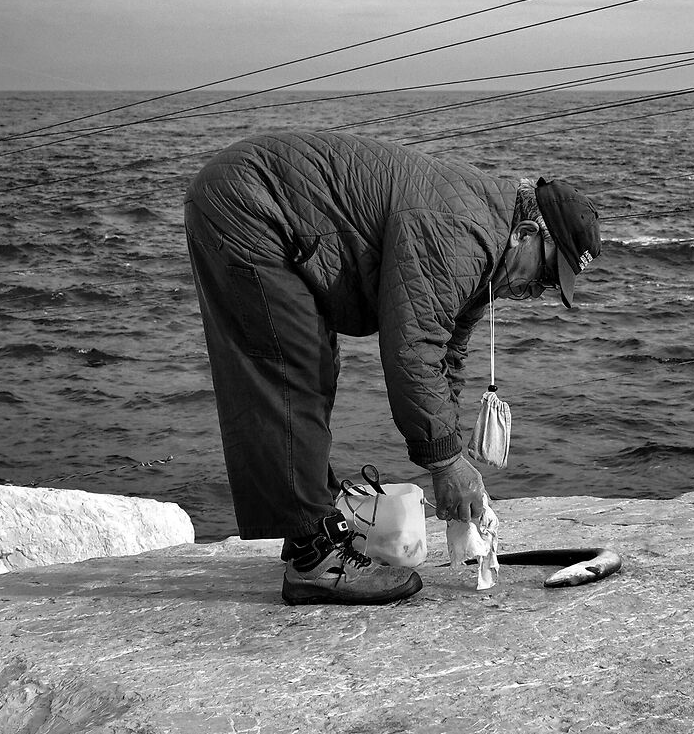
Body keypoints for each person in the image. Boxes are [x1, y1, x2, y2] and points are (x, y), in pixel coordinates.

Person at [184, 130, 601, 606]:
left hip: (264, 204)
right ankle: (313, 556)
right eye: (546, 275)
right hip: (247, 205)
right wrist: (444, 463)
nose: (536, 292)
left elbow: (447, 352)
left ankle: (309, 526)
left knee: (311, 365)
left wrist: (456, 452)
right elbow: (413, 347)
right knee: (291, 368)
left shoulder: (485, 244)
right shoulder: (461, 234)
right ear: (525, 235)